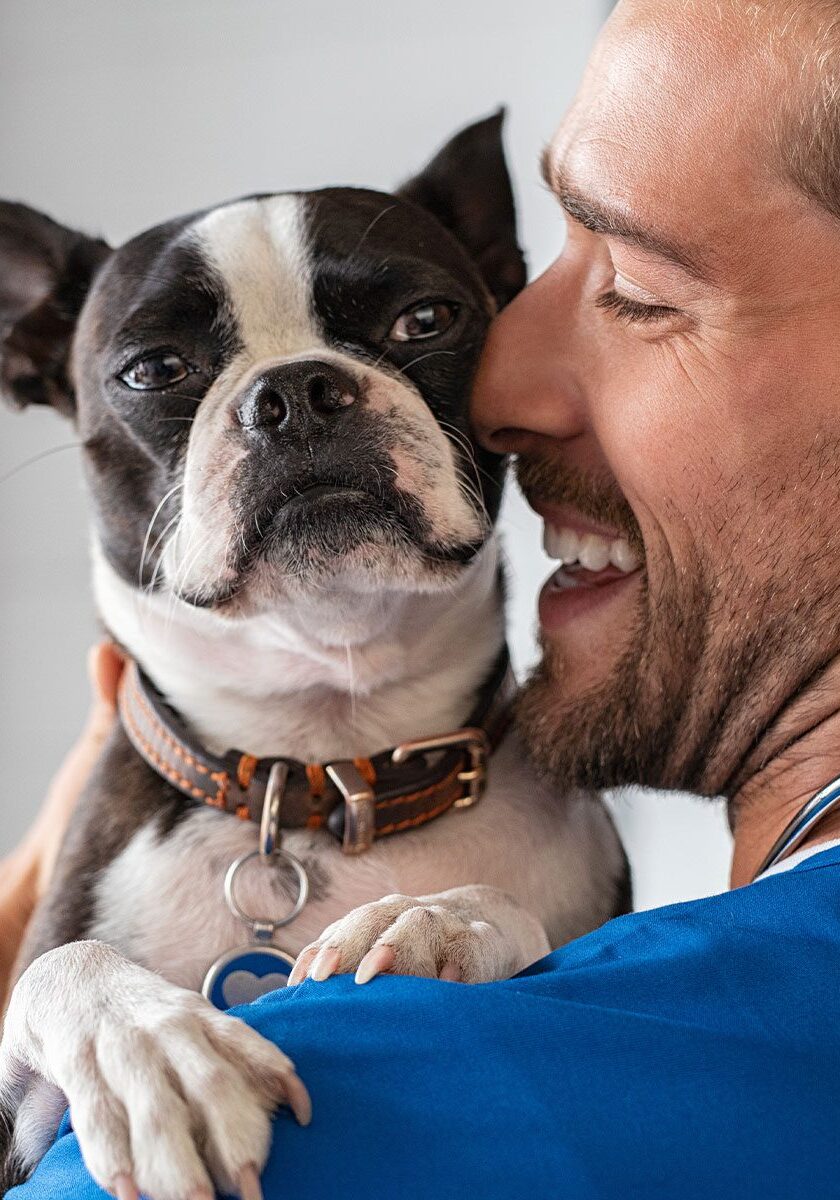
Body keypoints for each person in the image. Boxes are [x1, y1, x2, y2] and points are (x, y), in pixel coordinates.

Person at [5, 0, 840, 1195]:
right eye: (163, 374)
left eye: (422, 323)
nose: (291, 409)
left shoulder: (624, 912)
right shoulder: (86, 881)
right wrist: (53, 987)